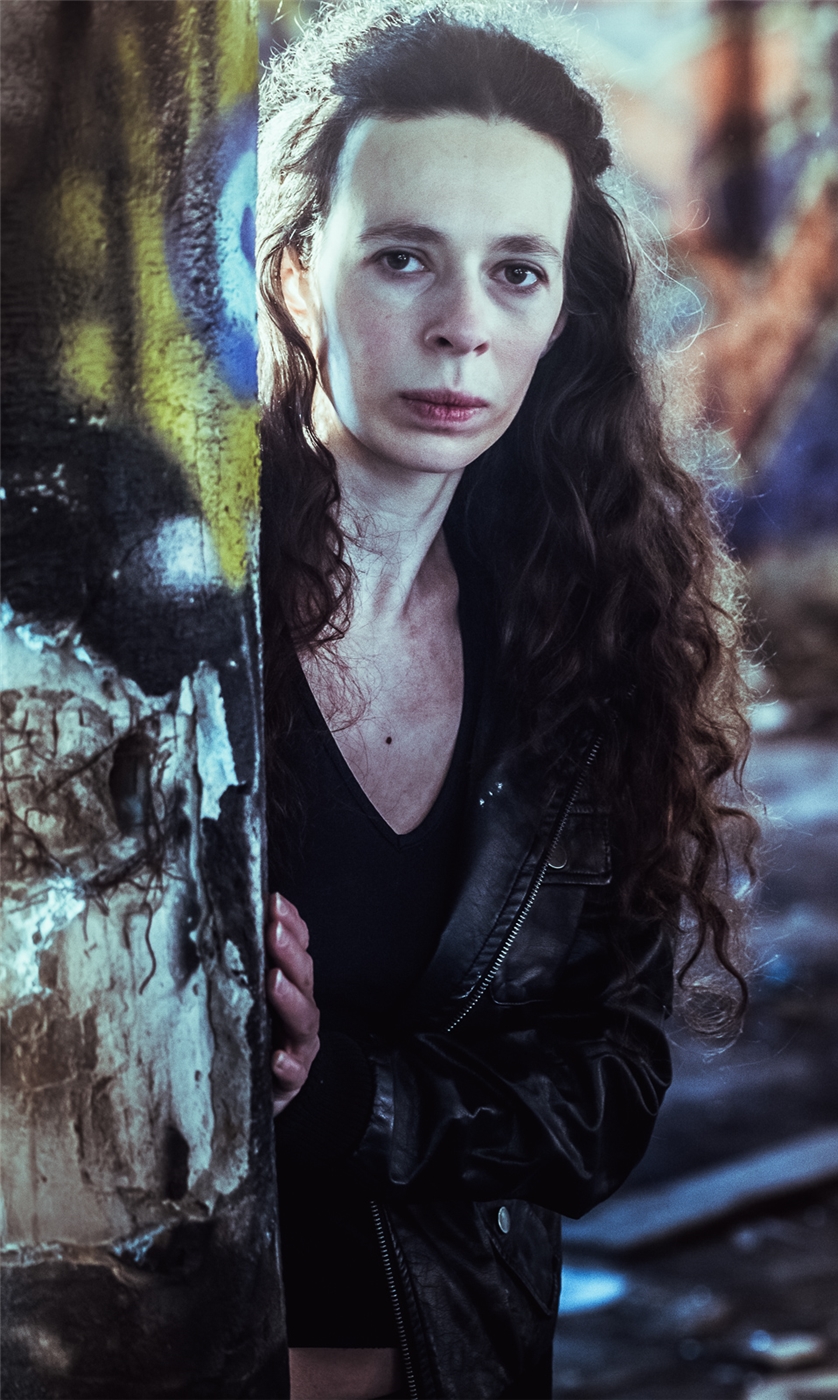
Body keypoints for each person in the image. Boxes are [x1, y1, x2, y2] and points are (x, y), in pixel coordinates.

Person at [256, 6, 756, 1397]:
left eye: (515, 272)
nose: (462, 328)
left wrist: (343, 1092)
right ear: (296, 273)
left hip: (451, 1363)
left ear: (559, 315)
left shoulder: (587, 646)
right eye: (402, 257)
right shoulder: (161, 632)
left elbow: (601, 1095)